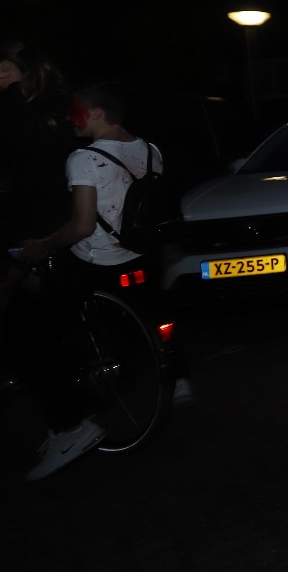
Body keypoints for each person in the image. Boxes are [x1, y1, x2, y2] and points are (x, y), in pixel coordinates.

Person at [18, 81, 185, 479]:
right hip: (137, 255)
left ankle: (69, 426)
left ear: (94, 113)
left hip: (97, 260)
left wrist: (43, 244)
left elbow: (81, 225)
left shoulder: (84, 158)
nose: (69, 118)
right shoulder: (151, 150)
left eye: (75, 111)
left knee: (34, 334)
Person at [0, 35, 79, 431]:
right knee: (43, 305)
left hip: (23, 223)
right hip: (67, 217)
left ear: (5, 68)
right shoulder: (59, 102)